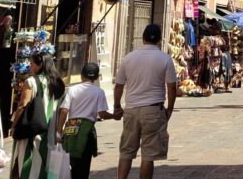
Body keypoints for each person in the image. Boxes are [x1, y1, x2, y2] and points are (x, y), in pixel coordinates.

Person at [114, 24, 178, 179]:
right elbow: (172, 87)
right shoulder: (165, 59)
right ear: (159, 40)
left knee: (126, 152)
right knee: (148, 155)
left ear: (142, 38)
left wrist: (117, 106)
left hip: (131, 109)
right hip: (153, 110)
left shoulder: (129, 58)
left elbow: (119, 86)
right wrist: (169, 109)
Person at [12, 51, 66, 179]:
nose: (30, 67)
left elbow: (23, 105)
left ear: (40, 65)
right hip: (50, 133)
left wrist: (14, 124)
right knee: (46, 168)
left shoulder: (31, 82)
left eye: (32, 64)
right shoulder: (59, 84)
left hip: (32, 132)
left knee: (27, 165)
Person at [56, 62, 113, 179]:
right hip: (87, 133)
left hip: (71, 131)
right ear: (97, 77)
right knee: (84, 167)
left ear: (81, 75)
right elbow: (102, 114)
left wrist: (59, 131)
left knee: (72, 164)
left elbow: (64, 111)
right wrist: (114, 116)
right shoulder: (99, 92)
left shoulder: (72, 90)